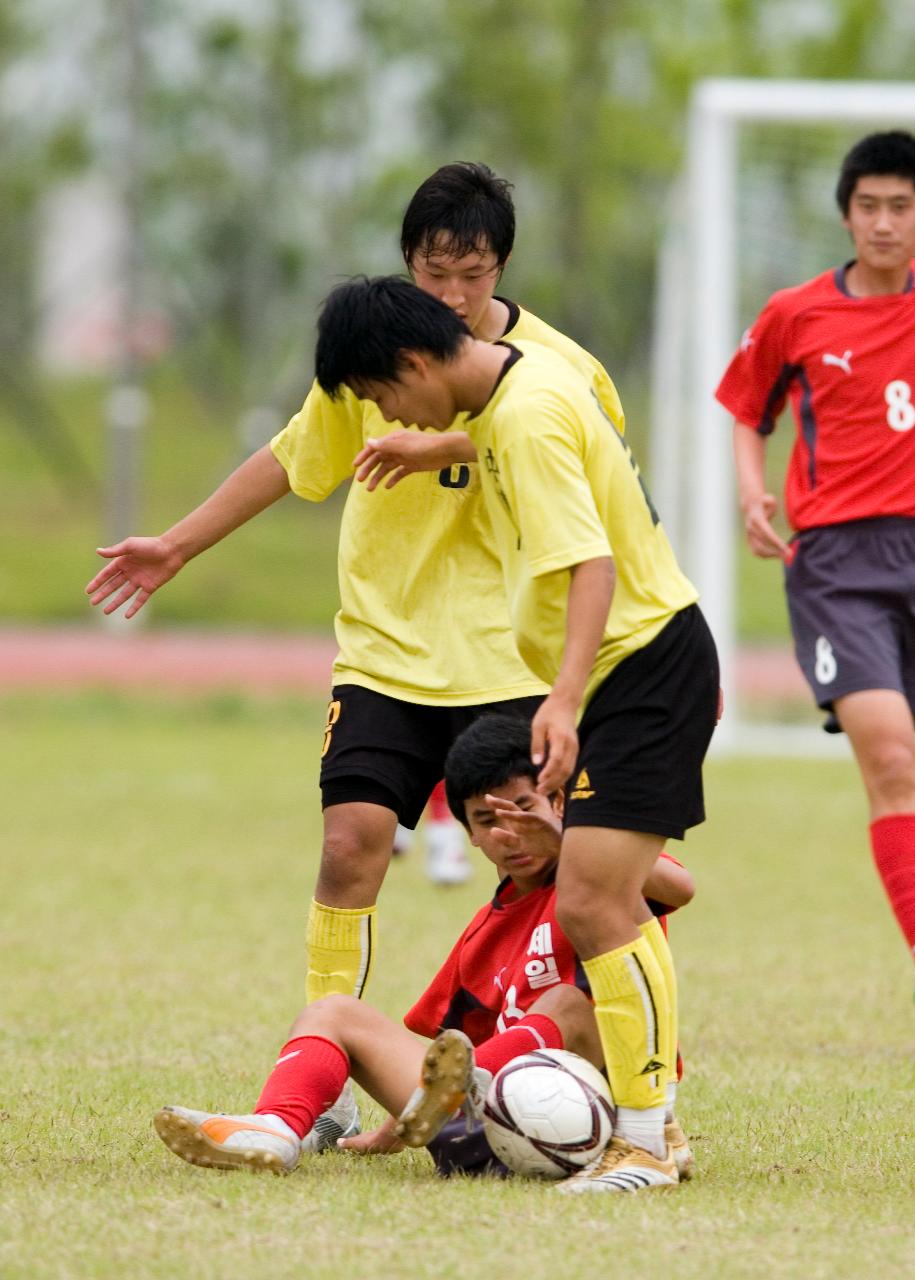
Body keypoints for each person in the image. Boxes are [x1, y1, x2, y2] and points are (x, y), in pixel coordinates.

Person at [84, 163, 629, 1143]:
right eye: (433, 270)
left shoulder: (560, 368)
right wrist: (175, 543)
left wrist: (449, 447)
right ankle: (327, 1075)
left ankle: (589, 1073)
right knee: (349, 846)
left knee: (562, 872)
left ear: (501, 266)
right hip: (384, 650)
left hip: (511, 657)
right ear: (407, 264)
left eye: (471, 272)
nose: (452, 293)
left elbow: (599, 474)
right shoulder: (376, 351)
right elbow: (293, 460)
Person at [312, 276, 720, 1193]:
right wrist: (435, 446)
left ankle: (649, 1140)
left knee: (595, 902)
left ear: (416, 364)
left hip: (636, 667)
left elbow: (592, 567)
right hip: (641, 664)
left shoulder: (525, 418)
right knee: (594, 897)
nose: (387, 415)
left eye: (383, 398)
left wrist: (564, 698)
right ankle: (657, 1133)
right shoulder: (516, 385)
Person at [715, 128, 915, 1053]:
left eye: (901, 207)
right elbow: (743, 409)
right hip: (837, 566)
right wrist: (751, 490)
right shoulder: (797, 314)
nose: (883, 222)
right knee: (889, 759)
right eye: (868, 205)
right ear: (846, 213)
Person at [152, 714, 696, 1181]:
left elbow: (680, 887)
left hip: (596, 1120)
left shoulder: (604, 885)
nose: (510, 833)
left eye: (524, 809)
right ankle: (276, 1128)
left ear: (557, 800)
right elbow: (444, 1048)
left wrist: (565, 835)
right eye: (488, 821)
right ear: (471, 837)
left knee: (569, 1003)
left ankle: (453, 1099)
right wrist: (427, 1101)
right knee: (332, 1011)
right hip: (481, 1133)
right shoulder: (481, 936)